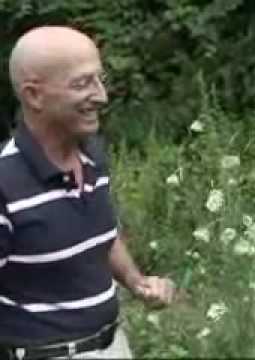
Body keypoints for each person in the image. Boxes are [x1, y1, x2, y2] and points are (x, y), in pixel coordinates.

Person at [0, 26, 177, 359]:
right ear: (34, 95)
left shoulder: (91, 156)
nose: (102, 96)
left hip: (113, 346)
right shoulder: (4, 183)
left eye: (100, 79)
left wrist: (137, 282)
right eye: (82, 84)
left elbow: (102, 235)